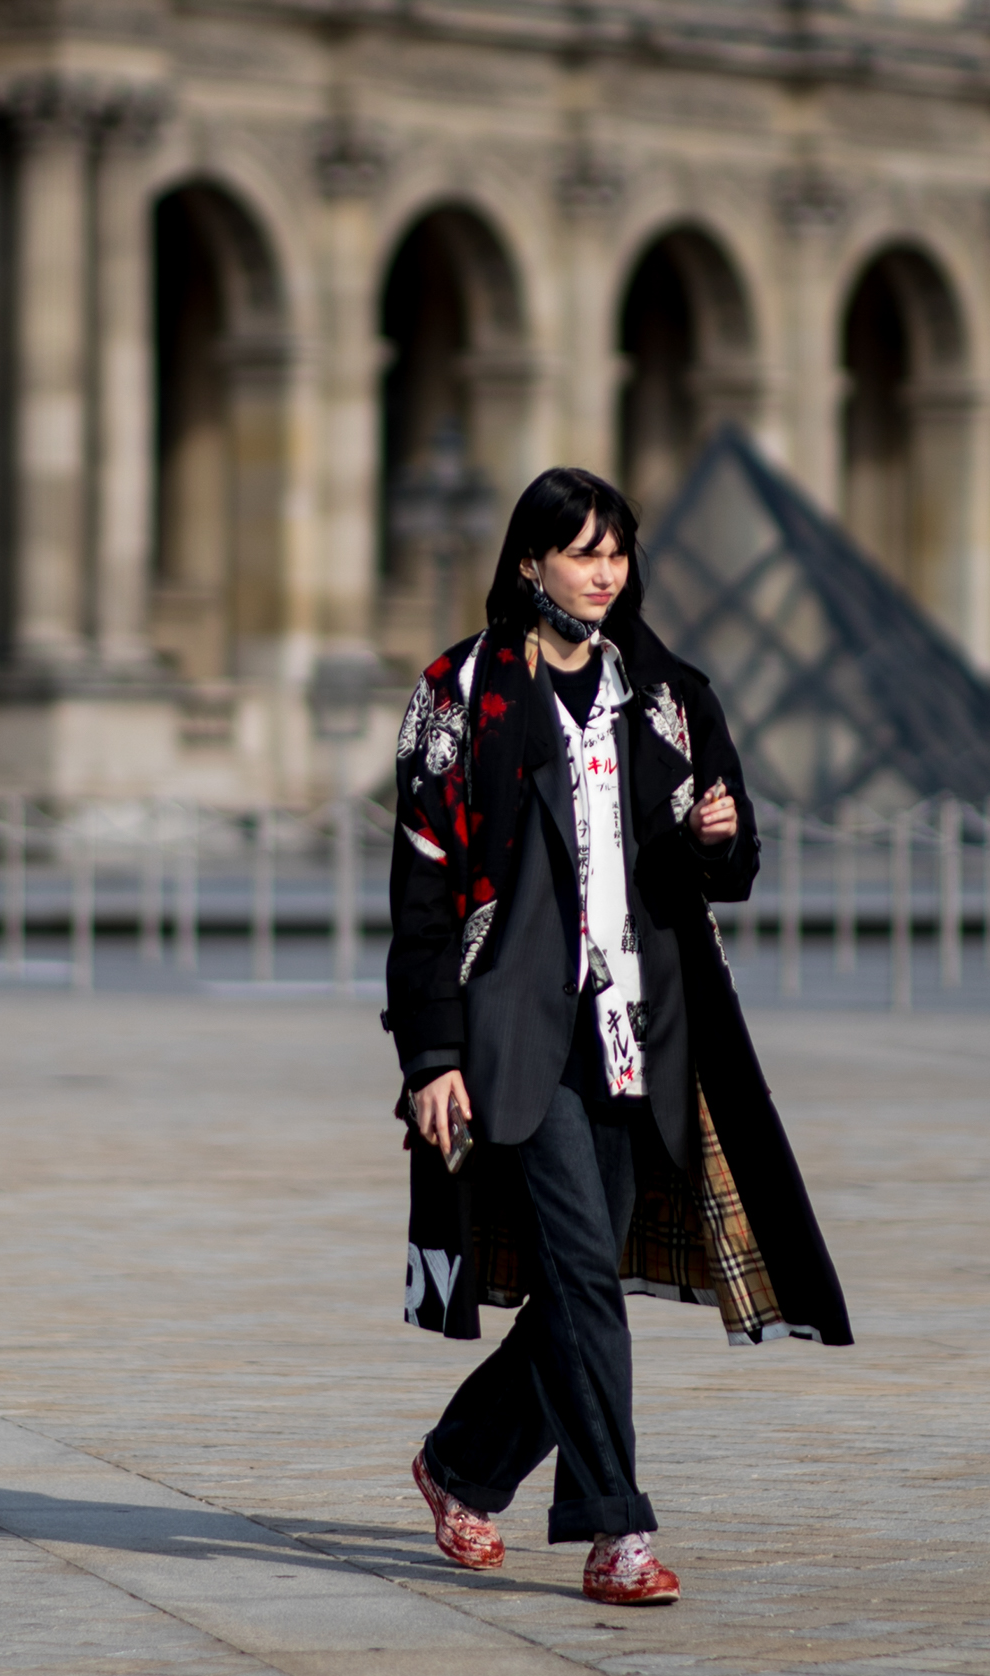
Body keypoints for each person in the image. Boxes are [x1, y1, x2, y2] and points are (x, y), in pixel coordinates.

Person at [383, 466, 852, 1608]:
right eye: (583, 551)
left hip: (637, 1031)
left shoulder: (669, 694)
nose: (605, 572)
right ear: (530, 561)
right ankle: (617, 1535)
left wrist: (725, 834)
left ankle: (460, 1465)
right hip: (515, 1032)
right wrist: (432, 1059)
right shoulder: (461, 696)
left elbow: (723, 868)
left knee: (581, 1290)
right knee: (587, 1276)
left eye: (618, 552)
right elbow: (422, 895)